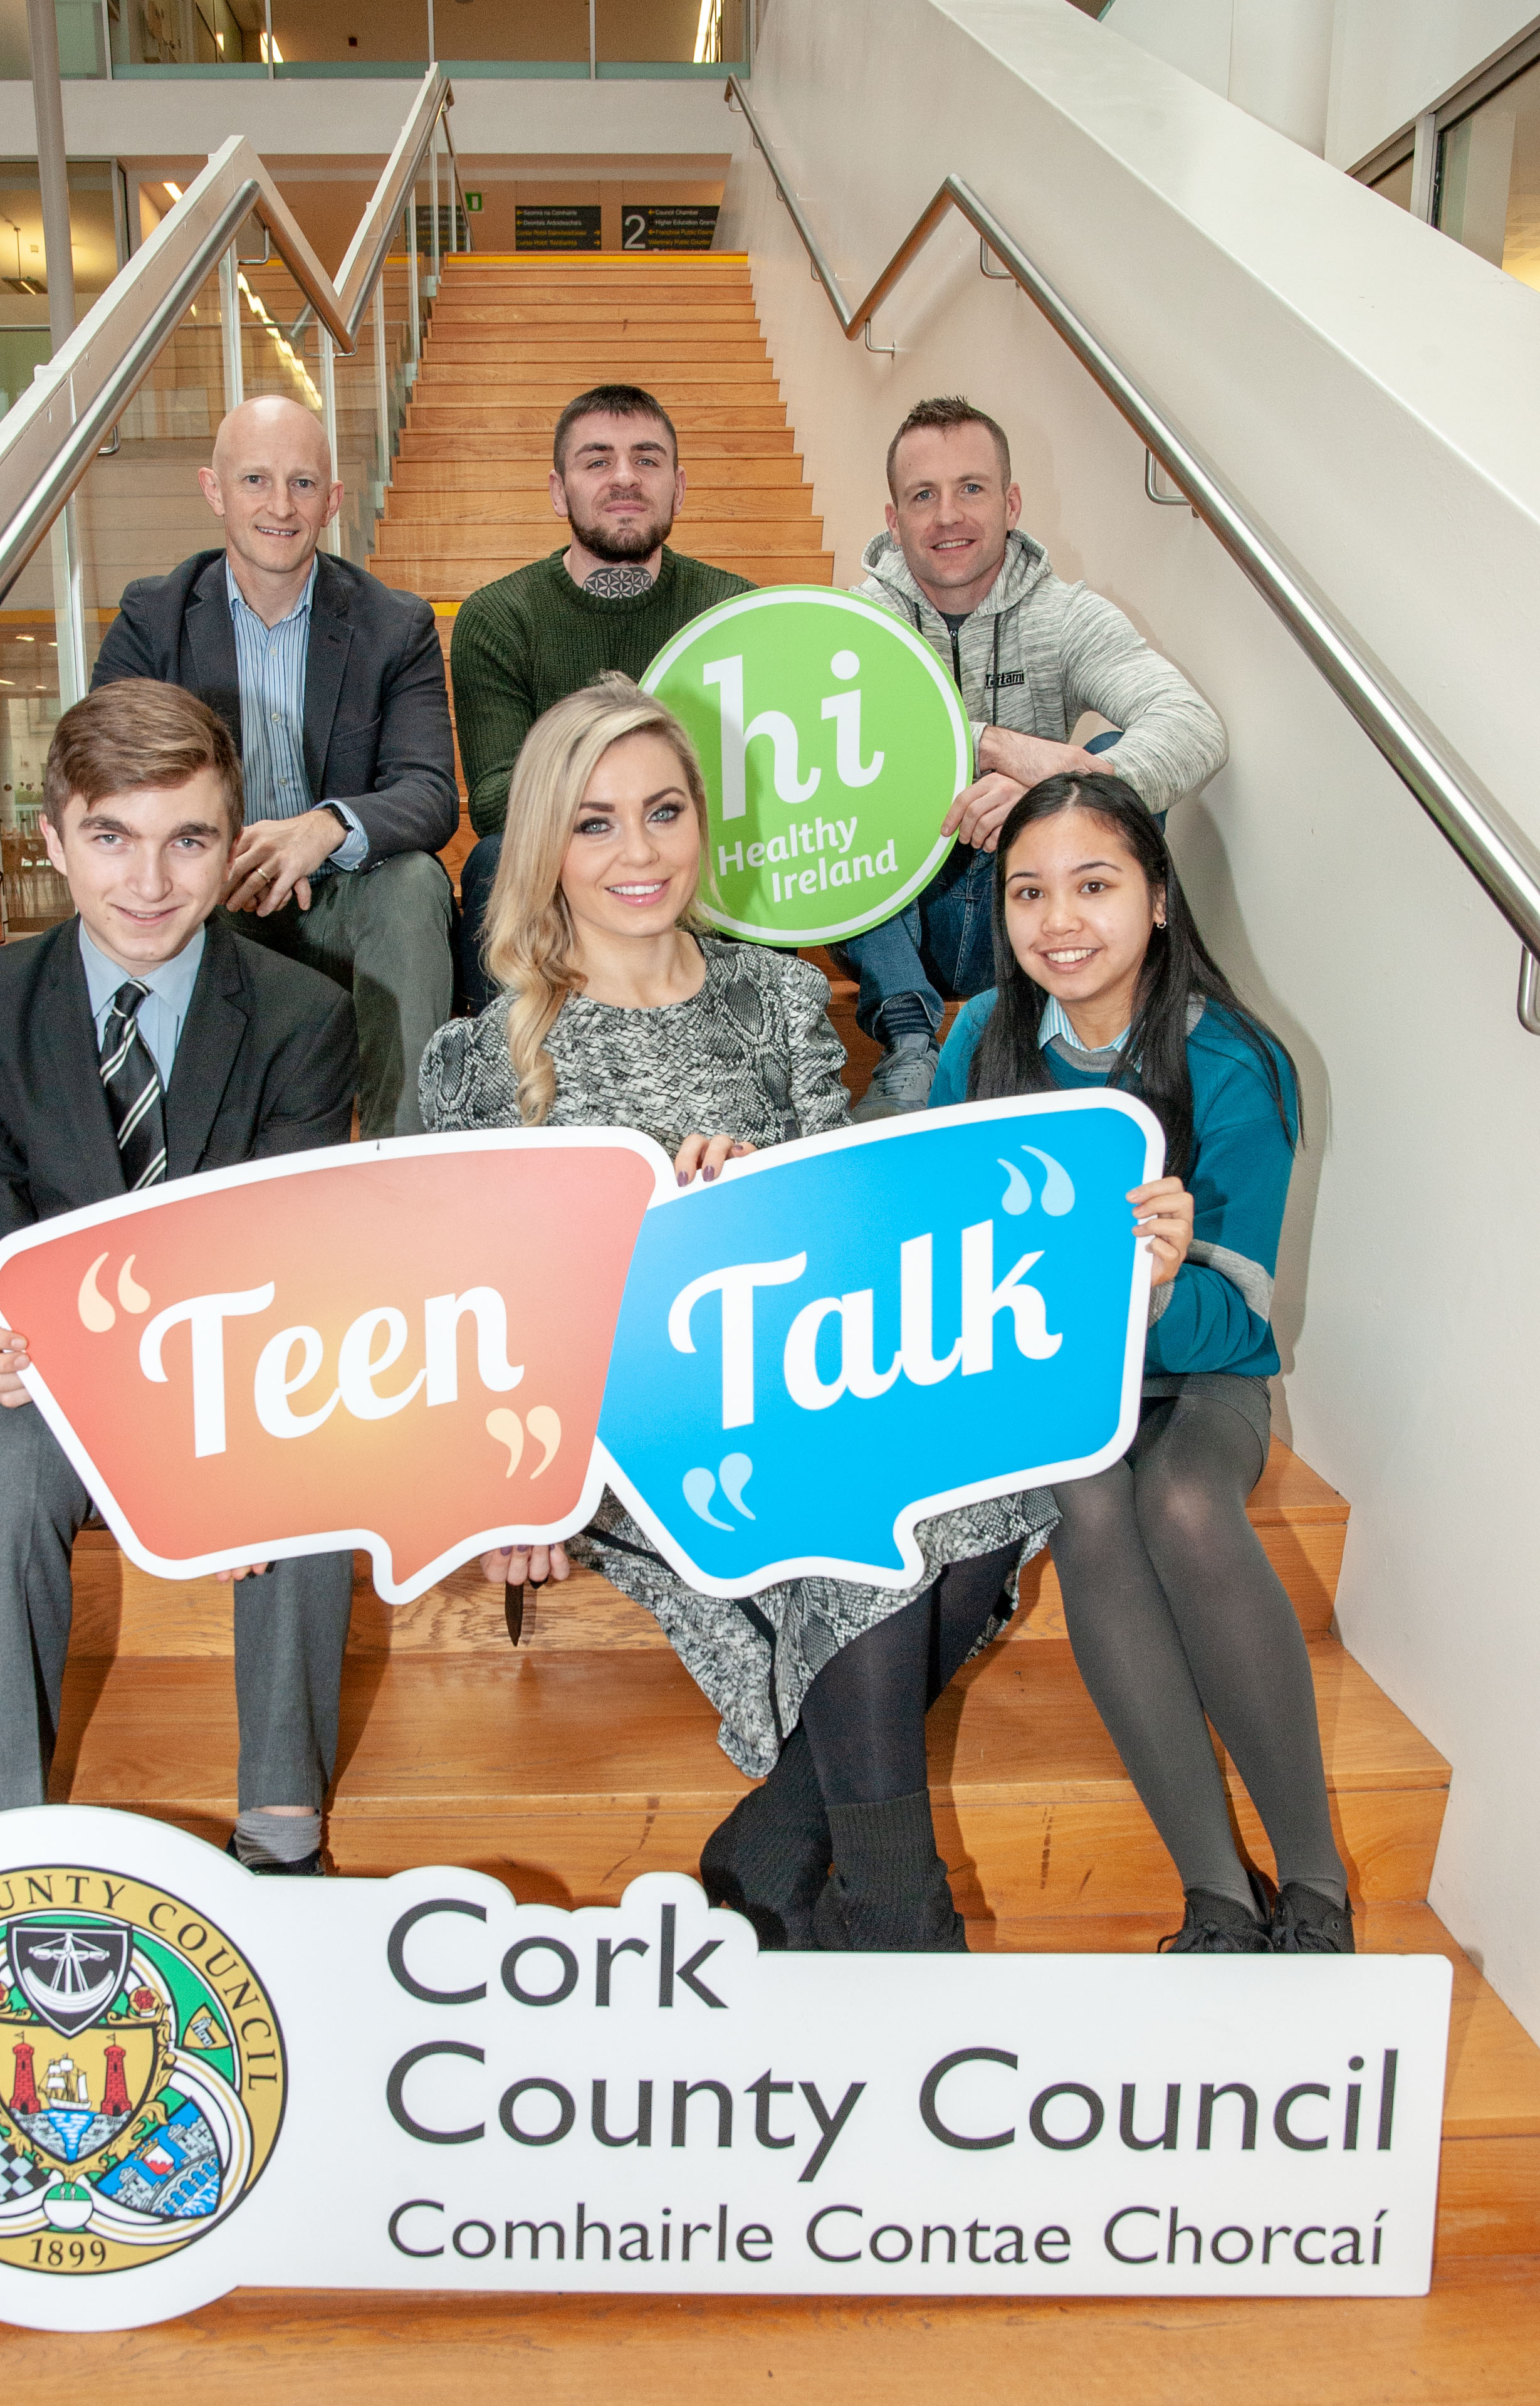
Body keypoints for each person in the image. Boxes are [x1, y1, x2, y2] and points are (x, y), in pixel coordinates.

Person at [421, 675, 1056, 1950]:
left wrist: (762, 1199)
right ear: (546, 843)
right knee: (862, 1514)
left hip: (798, 1368)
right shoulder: (482, 1054)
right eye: (596, 821)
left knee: (983, 1483)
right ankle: (894, 1903)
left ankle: (790, 1840)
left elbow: (845, 1236)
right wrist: (508, 1493)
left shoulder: (773, 994)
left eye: (664, 811)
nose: (640, 851)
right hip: (628, 1423)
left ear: (703, 820)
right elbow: (478, 1309)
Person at [0, 680, 363, 1875]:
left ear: (233, 843)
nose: (149, 881)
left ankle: (282, 1831)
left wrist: (214, 1447)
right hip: (58, 1377)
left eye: (189, 840)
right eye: (111, 837)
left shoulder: (302, 1015)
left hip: (238, 1367)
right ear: (53, 838)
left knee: (302, 1475)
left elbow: (285, 1256)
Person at [933, 769, 1353, 1955]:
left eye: (1094, 885)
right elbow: (940, 1250)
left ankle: (1315, 1884)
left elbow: (1243, 1322)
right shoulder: (978, 1038)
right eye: (1027, 892)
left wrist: (1156, 1286)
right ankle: (1216, 1891)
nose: (1058, 920)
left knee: (1181, 1498)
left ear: (1159, 899)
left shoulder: (1235, 1059)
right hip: (1048, 1381)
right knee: (1085, 1491)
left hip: (1196, 1370)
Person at [843, 394, 1227, 1119]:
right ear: (893, 520)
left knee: (1108, 766)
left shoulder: (1063, 615)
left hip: (1019, 902)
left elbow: (1192, 727)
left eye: (971, 488)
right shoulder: (853, 624)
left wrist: (1050, 796)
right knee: (830, 780)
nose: (948, 515)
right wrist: (990, 744)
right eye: (923, 496)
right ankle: (910, 1044)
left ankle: (1064, 1027)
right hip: (899, 917)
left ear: (1011, 503)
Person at [92, 394, 458, 1138]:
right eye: (256, 480)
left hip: (346, 892)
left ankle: (401, 1165)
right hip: (213, 891)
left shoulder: (395, 625)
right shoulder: (153, 619)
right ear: (214, 490)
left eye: (303, 483)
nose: (281, 506)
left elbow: (428, 793)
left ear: (333, 500)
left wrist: (322, 829)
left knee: (417, 882)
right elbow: (108, 779)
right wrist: (208, 854)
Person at [449, 383, 754, 1007]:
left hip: (701, 856)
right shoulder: (499, 616)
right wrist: (615, 807)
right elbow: (494, 802)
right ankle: (512, 1057)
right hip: (570, 868)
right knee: (494, 859)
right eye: (597, 461)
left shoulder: (736, 609)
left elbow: (761, 784)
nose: (624, 478)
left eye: (647, 459)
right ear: (559, 490)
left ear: (678, 487)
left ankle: (757, 1041)